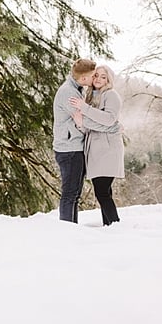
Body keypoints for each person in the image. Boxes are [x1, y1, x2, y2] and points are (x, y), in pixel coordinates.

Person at [70, 64, 125, 226]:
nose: (99, 79)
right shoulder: (91, 96)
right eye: (96, 75)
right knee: (104, 191)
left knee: (102, 192)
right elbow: (90, 127)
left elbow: (109, 120)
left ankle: (114, 224)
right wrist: (80, 123)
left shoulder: (111, 95)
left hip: (107, 150)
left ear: (108, 80)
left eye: (103, 76)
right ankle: (109, 225)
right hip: (95, 151)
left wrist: (84, 110)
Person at [53, 58, 96, 223]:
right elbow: (84, 121)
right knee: (70, 194)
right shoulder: (68, 93)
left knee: (74, 194)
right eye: (92, 76)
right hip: (69, 149)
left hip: (73, 147)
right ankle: (67, 229)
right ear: (84, 78)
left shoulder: (75, 89)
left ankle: (72, 228)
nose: (94, 78)